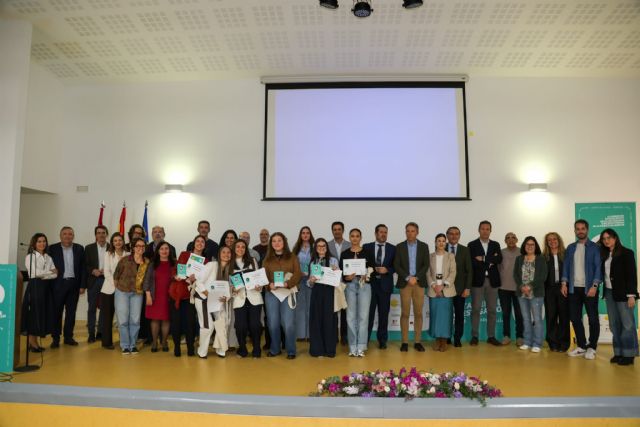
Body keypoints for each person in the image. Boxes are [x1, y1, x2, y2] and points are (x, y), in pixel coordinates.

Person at [562, 219, 602, 360]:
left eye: (582, 228)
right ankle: (582, 345)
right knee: (574, 318)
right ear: (575, 231)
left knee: (593, 318)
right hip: (574, 289)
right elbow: (566, 267)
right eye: (577, 229)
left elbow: (598, 267)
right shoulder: (570, 247)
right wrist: (564, 283)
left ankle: (592, 347)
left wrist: (595, 286)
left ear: (587, 230)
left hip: (589, 288)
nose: (580, 231)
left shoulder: (595, 247)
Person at [599, 228, 638, 366]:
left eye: (609, 238)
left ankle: (629, 354)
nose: (606, 241)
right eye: (604, 239)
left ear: (615, 238)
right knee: (614, 324)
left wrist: (631, 295)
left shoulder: (627, 253)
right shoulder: (604, 255)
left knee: (627, 324)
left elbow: (631, 276)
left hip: (624, 294)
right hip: (609, 293)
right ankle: (619, 352)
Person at [263, 232, 302, 359]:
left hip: (288, 292)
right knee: (272, 323)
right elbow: (263, 277)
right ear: (271, 244)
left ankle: (291, 350)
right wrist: (269, 285)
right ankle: (275, 349)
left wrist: (288, 283)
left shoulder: (292, 257)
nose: (277, 243)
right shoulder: (267, 259)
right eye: (274, 241)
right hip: (272, 294)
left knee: (288, 323)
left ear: (284, 242)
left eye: (279, 240)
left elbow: (298, 273)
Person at [394, 222, 430, 353]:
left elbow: (426, 264)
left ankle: (417, 342)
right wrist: (408, 277)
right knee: (405, 313)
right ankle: (404, 342)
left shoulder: (424, 246)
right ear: (405, 232)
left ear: (417, 232)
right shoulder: (399, 246)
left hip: (419, 283)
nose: (410, 233)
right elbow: (397, 265)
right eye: (408, 231)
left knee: (418, 313)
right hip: (405, 283)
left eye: (413, 231)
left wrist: (416, 277)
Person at [48, 226, 85, 348]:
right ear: (60, 236)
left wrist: (82, 285)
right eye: (65, 234)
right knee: (56, 312)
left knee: (71, 313)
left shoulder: (79, 248)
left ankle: (68, 337)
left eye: (70, 234)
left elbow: (83, 268)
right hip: (57, 285)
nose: (67, 236)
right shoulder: (52, 248)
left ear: (73, 236)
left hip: (74, 285)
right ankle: (55, 338)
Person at [193, 245, 232, 358]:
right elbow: (198, 280)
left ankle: (220, 349)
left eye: (228, 252)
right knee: (208, 326)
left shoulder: (230, 269)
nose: (226, 254)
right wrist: (206, 293)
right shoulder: (211, 265)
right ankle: (202, 351)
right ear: (219, 254)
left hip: (217, 300)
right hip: (203, 298)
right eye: (223, 252)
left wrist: (227, 298)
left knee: (223, 322)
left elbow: (230, 289)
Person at [468, 220, 502, 346]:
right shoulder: (472, 245)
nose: (485, 231)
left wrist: (483, 258)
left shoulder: (495, 244)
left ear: (490, 231)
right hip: (477, 281)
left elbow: (499, 259)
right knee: (476, 309)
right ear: (479, 230)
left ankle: (491, 336)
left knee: (492, 310)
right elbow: (472, 262)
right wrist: (490, 261)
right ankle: (475, 336)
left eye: (487, 229)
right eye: (483, 228)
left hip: (492, 281)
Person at [341, 228, 375, 357]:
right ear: (349, 238)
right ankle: (352, 346)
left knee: (363, 317)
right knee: (350, 317)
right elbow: (342, 273)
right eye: (352, 236)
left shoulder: (367, 252)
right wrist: (347, 277)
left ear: (360, 238)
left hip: (364, 286)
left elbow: (373, 270)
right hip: (350, 286)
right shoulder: (345, 254)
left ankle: (361, 347)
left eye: (357, 236)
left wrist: (366, 275)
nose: (355, 238)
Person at [171, 236, 206, 357]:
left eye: (202, 242)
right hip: (178, 292)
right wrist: (178, 276)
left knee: (190, 323)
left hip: (192, 295)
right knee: (176, 322)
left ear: (205, 245)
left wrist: (195, 279)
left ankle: (190, 347)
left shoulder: (205, 261)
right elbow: (177, 269)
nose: (200, 243)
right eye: (198, 241)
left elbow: (204, 279)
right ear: (194, 243)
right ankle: (177, 347)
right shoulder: (185, 254)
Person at [113, 237, 148, 354]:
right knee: (123, 320)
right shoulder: (125, 260)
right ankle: (125, 345)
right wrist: (119, 289)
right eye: (138, 246)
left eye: (143, 246)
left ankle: (133, 345)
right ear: (133, 247)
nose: (140, 248)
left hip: (137, 294)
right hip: (122, 292)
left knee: (135, 320)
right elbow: (116, 276)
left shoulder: (147, 262)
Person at [364, 224, 396, 350]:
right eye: (381, 232)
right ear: (376, 233)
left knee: (383, 315)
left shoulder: (393, 248)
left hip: (385, 286)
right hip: (370, 286)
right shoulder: (366, 247)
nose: (383, 234)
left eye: (385, 232)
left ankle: (382, 340)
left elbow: (396, 266)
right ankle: (365, 339)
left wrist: (387, 270)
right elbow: (363, 264)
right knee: (368, 315)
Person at [22, 233, 56, 352]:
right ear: (34, 243)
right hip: (35, 287)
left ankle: (33, 342)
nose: (42, 243)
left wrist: (46, 274)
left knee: (41, 313)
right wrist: (49, 273)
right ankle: (32, 343)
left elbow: (55, 274)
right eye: (39, 241)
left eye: (44, 241)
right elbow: (33, 273)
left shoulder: (48, 257)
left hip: (45, 288)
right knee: (34, 313)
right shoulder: (30, 256)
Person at [513, 236, 547, 353]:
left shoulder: (541, 259)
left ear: (535, 246)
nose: (530, 246)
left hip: (536, 293)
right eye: (527, 244)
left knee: (537, 319)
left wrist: (530, 287)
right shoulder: (519, 259)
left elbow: (543, 276)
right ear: (524, 246)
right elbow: (516, 275)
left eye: (532, 244)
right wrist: (522, 287)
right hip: (522, 293)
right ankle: (527, 342)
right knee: (526, 319)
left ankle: (537, 343)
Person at [231, 239, 263, 358]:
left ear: (246, 249)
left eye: (243, 247)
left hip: (254, 296)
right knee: (240, 326)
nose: (240, 249)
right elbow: (229, 282)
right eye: (238, 246)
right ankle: (242, 349)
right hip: (239, 298)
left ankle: (256, 349)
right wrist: (232, 289)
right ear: (234, 248)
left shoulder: (252, 260)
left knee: (255, 325)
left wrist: (259, 286)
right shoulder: (230, 263)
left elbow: (258, 278)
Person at [308, 238, 339, 357]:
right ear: (315, 248)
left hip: (329, 293)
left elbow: (338, 280)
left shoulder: (333, 260)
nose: (321, 248)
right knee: (316, 320)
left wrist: (336, 272)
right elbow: (309, 283)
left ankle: (329, 350)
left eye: (323, 246)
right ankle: (317, 350)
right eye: (319, 246)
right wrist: (311, 281)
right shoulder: (313, 262)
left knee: (329, 320)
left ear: (327, 248)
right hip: (316, 293)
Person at [143, 241, 174, 353]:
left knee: (166, 320)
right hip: (154, 296)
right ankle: (154, 342)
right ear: (158, 251)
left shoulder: (174, 264)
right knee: (155, 320)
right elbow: (146, 280)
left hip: (168, 297)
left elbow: (179, 278)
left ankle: (164, 341)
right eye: (162, 249)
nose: (164, 251)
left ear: (169, 251)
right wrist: (148, 295)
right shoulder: (153, 264)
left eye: (166, 248)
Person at [428, 233, 457, 352]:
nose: (441, 243)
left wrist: (443, 286)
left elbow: (453, 272)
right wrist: (434, 285)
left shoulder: (450, 256)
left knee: (446, 317)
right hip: (433, 290)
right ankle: (437, 340)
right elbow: (427, 273)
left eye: (443, 241)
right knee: (435, 316)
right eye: (439, 241)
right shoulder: (430, 256)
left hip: (447, 290)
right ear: (435, 243)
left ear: (446, 243)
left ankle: (444, 341)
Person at [543, 232, 570, 352]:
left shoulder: (566, 254)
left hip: (564, 288)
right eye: (549, 240)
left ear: (559, 240)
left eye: (554, 239)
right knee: (551, 316)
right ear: (547, 243)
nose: (552, 241)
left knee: (564, 316)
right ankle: (553, 343)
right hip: (549, 289)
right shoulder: (544, 256)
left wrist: (566, 285)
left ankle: (564, 343)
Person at [446, 226, 472, 347]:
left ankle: (457, 338)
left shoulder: (465, 250)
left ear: (459, 236)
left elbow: (469, 271)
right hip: (445, 289)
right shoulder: (441, 248)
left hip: (460, 289)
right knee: (446, 315)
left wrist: (467, 288)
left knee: (459, 315)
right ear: (447, 235)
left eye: (456, 234)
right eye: (451, 234)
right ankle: (446, 337)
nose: (454, 236)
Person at [101, 232, 128, 350]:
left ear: (123, 241)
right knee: (107, 317)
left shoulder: (128, 254)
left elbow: (129, 272)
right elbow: (106, 272)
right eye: (115, 240)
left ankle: (124, 341)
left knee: (123, 317)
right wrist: (115, 284)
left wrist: (121, 285)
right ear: (112, 242)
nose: (118, 242)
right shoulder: (108, 254)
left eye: (120, 240)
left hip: (124, 290)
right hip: (109, 289)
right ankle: (106, 342)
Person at [497, 232, 524, 346]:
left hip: (519, 288)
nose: (511, 239)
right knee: (505, 313)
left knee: (519, 314)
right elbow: (497, 269)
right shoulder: (501, 252)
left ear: (517, 240)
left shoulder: (522, 252)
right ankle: (506, 336)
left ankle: (520, 337)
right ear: (505, 241)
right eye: (508, 238)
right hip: (503, 288)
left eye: (513, 237)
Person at [84, 225, 109, 343]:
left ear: (106, 234)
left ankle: (100, 332)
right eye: (99, 233)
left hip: (107, 281)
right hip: (94, 281)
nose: (101, 235)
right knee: (92, 308)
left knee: (104, 308)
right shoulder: (89, 248)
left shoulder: (112, 247)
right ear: (95, 235)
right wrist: (93, 270)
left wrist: (108, 271)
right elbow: (85, 265)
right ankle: (91, 333)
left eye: (103, 233)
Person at [328, 221, 350, 346]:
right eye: (335, 229)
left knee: (345, 310)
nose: (337, 231)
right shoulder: (327, 245)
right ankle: (334, 335)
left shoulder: (349, 245)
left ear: (343, 230)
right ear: (332, 231)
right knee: (333, 310)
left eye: (339, 229)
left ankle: (344, 336)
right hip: (332, 283)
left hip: (346, 282)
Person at [292, 226, 315, 340]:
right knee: (300, 307)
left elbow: (317, 263)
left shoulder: (314, 248)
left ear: (310, 235)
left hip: (312, 280)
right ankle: (301, 334)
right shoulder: (296, 249)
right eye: (303, 233)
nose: (305, 235)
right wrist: (298, 272)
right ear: (300, 235)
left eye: (307, 233)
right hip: (299, 280)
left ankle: (310, 334)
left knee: (311, 307)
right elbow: (292, 264)